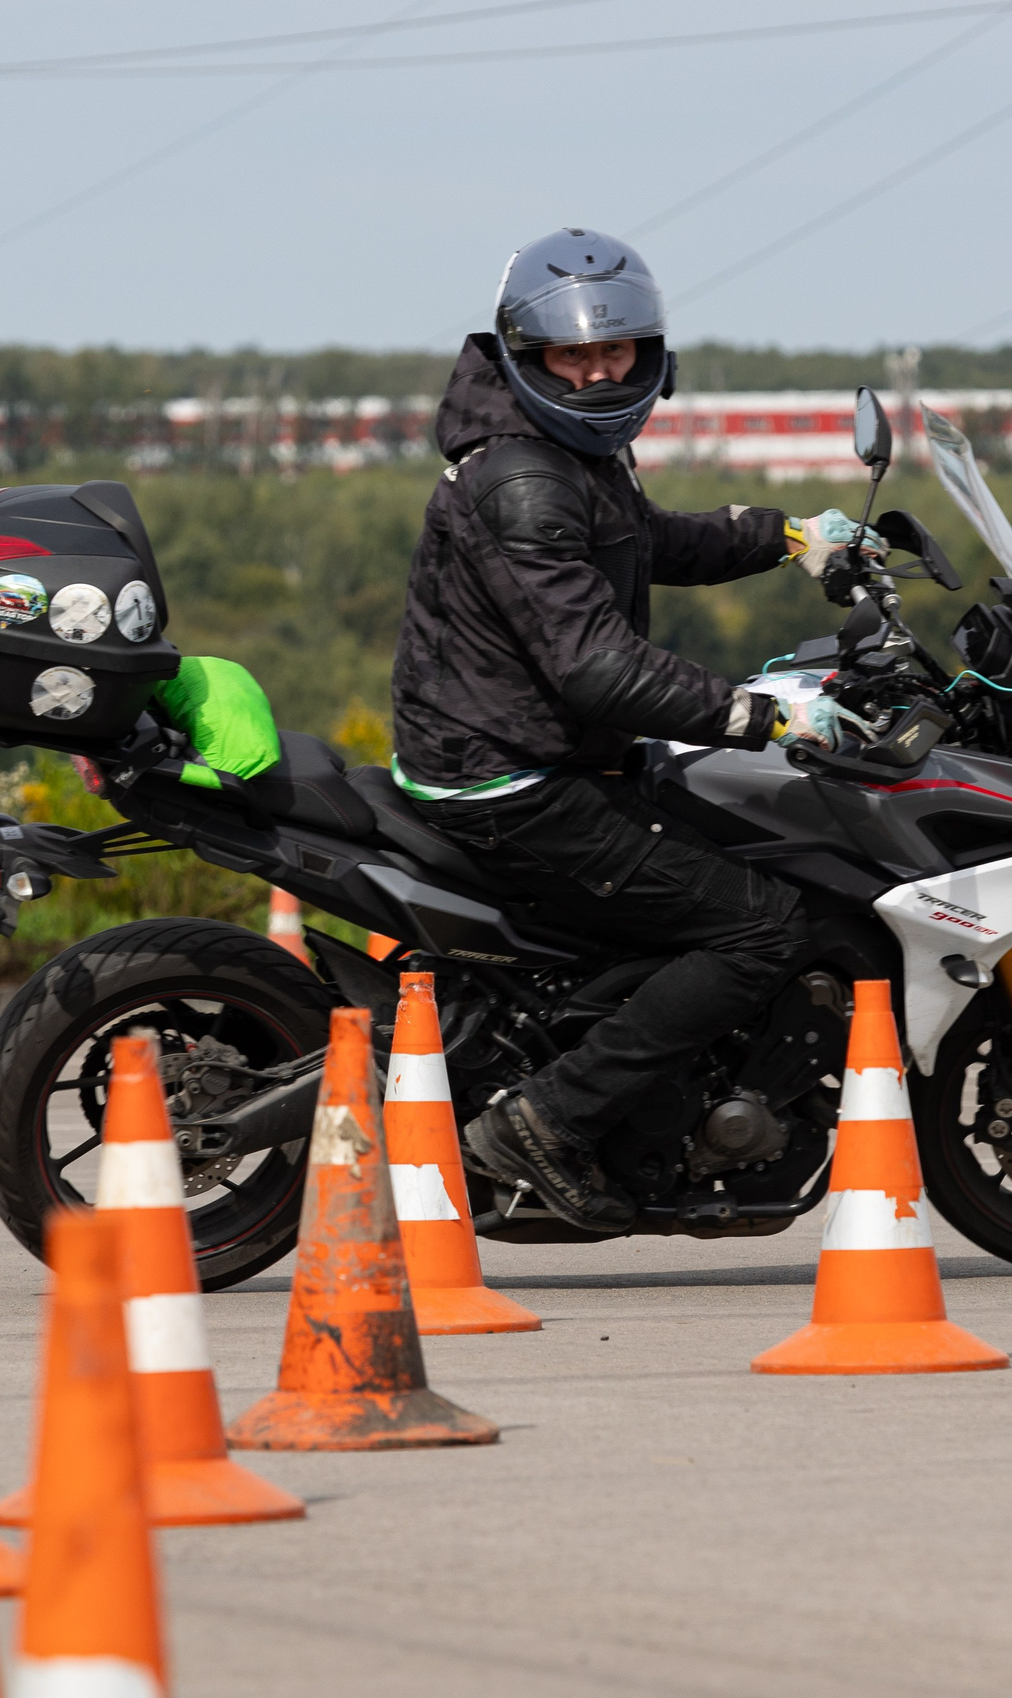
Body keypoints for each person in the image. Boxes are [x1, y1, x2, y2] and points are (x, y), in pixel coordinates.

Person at [390, 227, 879, 1233]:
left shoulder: (575, 457)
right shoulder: (524, 479)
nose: (600, 369)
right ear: (529, 357)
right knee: (759, 922)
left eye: (616, 351)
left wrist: (786, 536)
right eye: (576, 354)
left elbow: (649, 541)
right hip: (509, 776)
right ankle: (545, 1117)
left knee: (727, 845)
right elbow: (594, 665)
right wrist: (758, 712)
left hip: (532, 749)